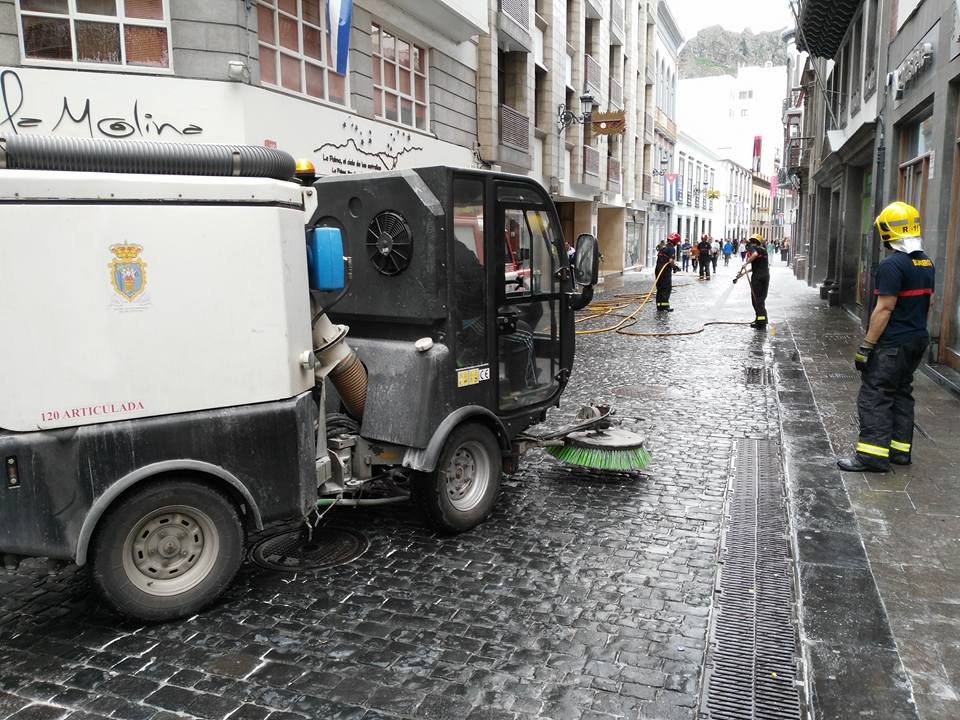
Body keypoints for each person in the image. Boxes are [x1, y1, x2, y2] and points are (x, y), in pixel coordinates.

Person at [837, 202, 935, 473]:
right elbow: (930, 302)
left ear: (887, 231)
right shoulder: (926, 262)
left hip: (892, 344)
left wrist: (866, 346)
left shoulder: (892, 265)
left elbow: (884, 308)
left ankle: (871, 457)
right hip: (916, 339)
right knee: (902, 392)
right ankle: (899, 451)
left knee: (875, 394)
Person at [733, 233, 769, 329]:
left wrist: (746, 263)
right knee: (761, 299)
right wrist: (743, 274)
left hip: (757, 278)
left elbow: (755, 254)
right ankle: (762, 320)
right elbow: (757, 267)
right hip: (765, 277)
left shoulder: (754, 248)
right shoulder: (764, 251)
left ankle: (760, 323)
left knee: (756, 300)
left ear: (753, 242)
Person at [655, 232, 681, 311]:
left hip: (658, 269)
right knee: (666, 288)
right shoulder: (671, 248)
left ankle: (659, 306)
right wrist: (675, 267)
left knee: (660, 288)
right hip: (665, 270)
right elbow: (670, 260)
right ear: (675, 241)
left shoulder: (664, 247)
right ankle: (665, 306)